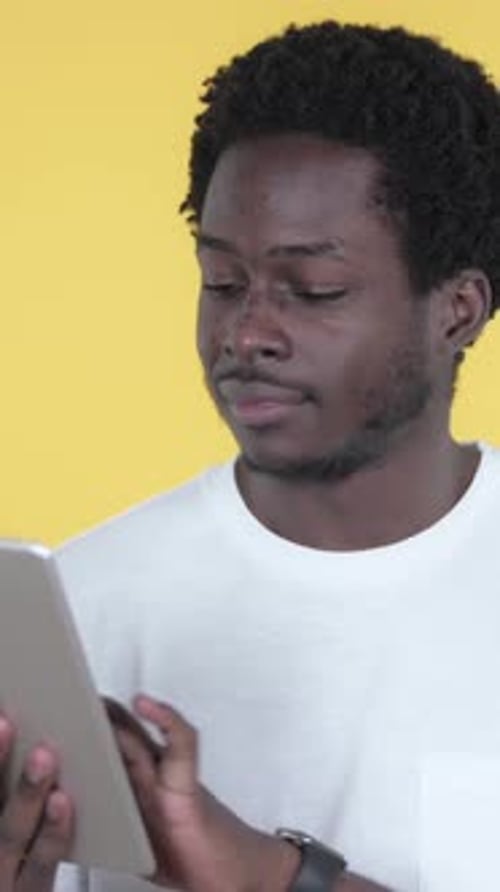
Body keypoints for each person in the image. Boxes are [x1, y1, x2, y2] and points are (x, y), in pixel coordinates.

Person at [1, 17, 500, 892]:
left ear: (457, 311)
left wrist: (266, 873)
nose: (246, 333)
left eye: (314, 290)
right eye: (222, 282)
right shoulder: (78, 616)